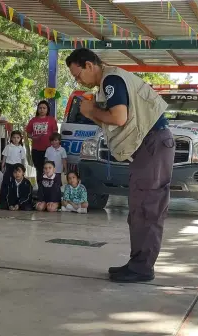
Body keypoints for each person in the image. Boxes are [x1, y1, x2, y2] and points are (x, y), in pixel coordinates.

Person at [66, 48, 175, 283]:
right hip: (149, 146)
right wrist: (94, 111)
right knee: (139, 207)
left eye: (78, 75)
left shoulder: (111, 80)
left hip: (152, 145)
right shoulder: (110, 81)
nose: (79, 81)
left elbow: (119, 117)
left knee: (147, 208)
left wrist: (91, 110)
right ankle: (137, 263)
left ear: (89, 65)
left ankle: (142, 268)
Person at [25, 101, 58, 184]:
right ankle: (40, 189)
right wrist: (34, 137)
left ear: (47, 109)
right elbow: (28, 134)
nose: (42, 110)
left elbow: (55, 134)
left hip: (49, 149)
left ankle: (49, 187)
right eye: (40, 108)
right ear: (37, 109)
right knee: (39, 170)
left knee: (48, 169)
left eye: (44, 108)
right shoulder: (33, 120)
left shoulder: (51, 120)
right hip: (36, 149)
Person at [0, 130, 26, 203]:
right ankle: (3, 199)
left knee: (16, 183)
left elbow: (23, 159)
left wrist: (23, 169)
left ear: (20, 138)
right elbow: (4, 158)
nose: (16, 139)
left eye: (18, 137)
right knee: (6, 182)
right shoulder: (8, 147)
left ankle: (15, 199)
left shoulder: (21, 148)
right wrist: (2, 166)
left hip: (18, 167)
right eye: (14, 137)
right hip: (9, 166)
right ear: (11, 138)